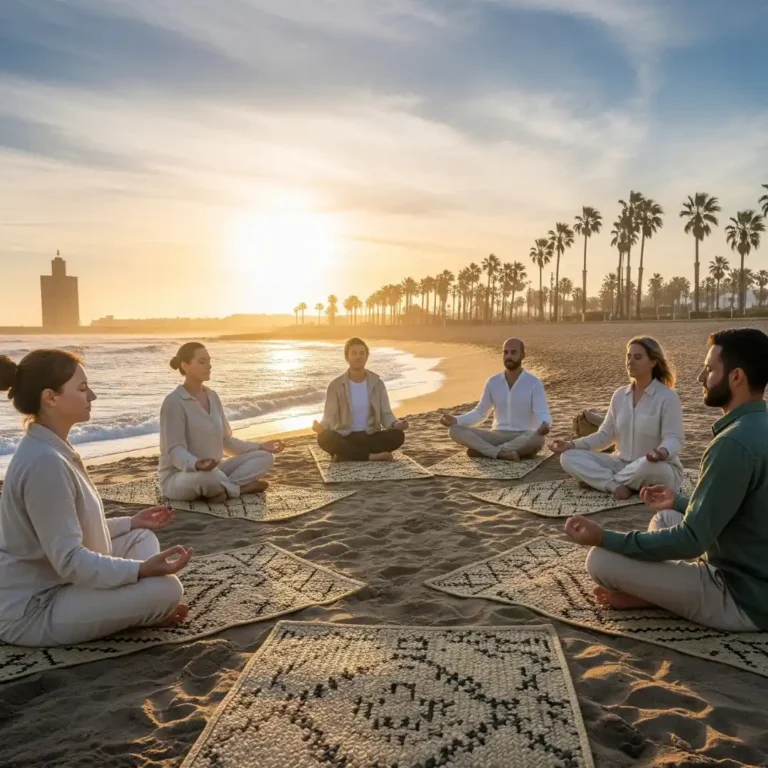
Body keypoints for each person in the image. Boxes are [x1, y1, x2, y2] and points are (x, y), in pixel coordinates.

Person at [564, 328, 768, 632]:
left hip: (741, 596)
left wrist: (604, 537)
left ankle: (657, 594)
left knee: (599, 561)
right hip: (751, 565)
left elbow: (690, 541)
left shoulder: (732, 444)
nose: (701, 377)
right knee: (666, 515)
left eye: (710, 369)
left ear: (736, 377)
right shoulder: (755, 427)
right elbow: (738, 509)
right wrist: (681, 501)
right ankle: (661, 589)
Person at [0, 350, 191, 647]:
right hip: (35, 608)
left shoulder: (52, 448)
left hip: (62, 578)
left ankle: (131, 603)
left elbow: (70, 529)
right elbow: (70, 559)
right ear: (50, 397)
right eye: (82, 388)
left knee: (140, 536)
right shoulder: (44, 463)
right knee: (166, 590)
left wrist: (131, 521)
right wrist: (142, 570)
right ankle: (141, 607)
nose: (93, 395)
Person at [551, 337, 684, 500]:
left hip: (656, 467)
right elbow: (604, 436)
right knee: (568, 457)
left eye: (638, 357)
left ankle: (602, 481)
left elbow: (674, 438)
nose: (630, 361)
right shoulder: (620, 395)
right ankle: (616, 486)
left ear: (653, 362)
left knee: (645, 467)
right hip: (620, 465)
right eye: (628, 356)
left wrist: (661, 453)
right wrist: (571, 444)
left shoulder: (667, 397)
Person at [159, 342, 284, 502]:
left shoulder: (213, 396)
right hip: (179, 476)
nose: (209, 366)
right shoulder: (174, 402)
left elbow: (226, 441)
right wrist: (196, 464)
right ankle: (239, 489)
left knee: (265, 457)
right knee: (208, 478)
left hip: (215, 470)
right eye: (202, 362)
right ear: (185, 365)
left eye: (209, 361)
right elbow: (175, 450)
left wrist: (260, 446)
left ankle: (223, 490)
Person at [439, 338, 550, 461]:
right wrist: (456, 420)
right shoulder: (493, 382)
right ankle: (502, 453)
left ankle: (486, 451)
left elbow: (541, 412)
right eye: (505, 352)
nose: (508, 356)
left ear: (522, 355)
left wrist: (543, 425)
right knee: (454, 430)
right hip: (495, 435)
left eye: (513, 352)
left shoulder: (533, 382)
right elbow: (480, 413)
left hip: (523, 435)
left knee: (537, 438)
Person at [312, 338, 408, 462]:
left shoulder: (377, 384)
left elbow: (386, 413)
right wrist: (321, 426)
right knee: (324, 438)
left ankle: (346, 454)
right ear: (347, 357)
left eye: (362, 353)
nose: (358, 357)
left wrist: (396, 424)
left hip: (370, 435)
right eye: (354, 353)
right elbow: (329, 416)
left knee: (398, 436)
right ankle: (371, 456)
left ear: (367, 356)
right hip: (345, 435)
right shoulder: (335, 385)